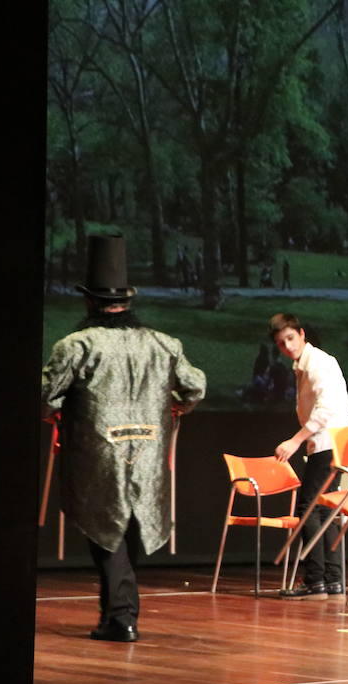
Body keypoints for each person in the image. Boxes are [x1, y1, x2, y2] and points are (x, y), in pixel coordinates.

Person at [41, 235, 206, 642]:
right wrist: (175, 409)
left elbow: (44, 394)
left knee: (107, 532)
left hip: (100, 453)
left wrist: (57, 410)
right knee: (126, 529)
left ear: (89, 302)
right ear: (126, 302)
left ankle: (120, 618)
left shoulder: (78, 345)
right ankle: (119, 614)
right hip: (148, 451)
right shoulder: (163, 344)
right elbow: (195, 386)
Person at [269, 313, 348, 599]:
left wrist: (295, 441)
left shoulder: (318, 362)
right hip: (327, 441)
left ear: (302, 334)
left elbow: (325, 410)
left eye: (291, 339)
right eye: (281, 343)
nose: (288, 346)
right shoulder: (303, 365)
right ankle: (331, 579)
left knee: (309, 507)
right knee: (324, 508)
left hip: (328, 440)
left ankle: (317, 578)